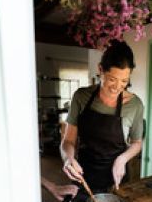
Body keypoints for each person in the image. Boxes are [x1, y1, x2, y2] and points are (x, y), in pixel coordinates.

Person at [60, 39, 144, 193]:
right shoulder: (81, 97)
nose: (117, 87)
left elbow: (137, 143)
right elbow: (68, 141)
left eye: (124, 81)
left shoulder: (135, 105)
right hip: (83, 176)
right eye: (112, 79)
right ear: (100, 69)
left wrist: (122, 159)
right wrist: (68, 159)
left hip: (116, 180)